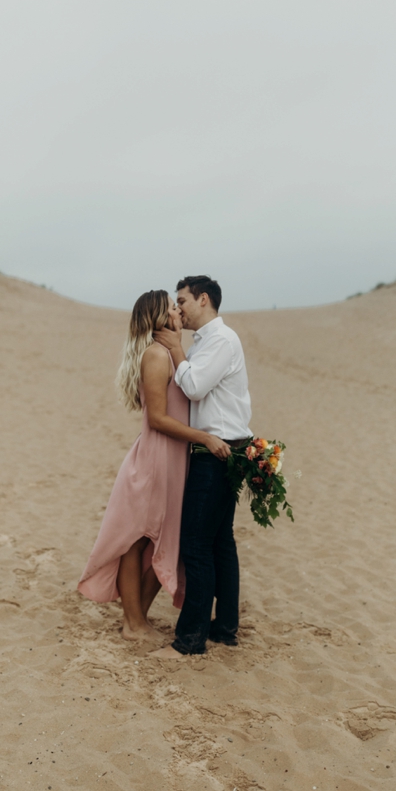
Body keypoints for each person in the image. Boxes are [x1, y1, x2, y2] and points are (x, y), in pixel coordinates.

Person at [77, 290, 233, 641]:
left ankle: (138, 620)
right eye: (172, 308)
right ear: (161, 319)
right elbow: (159, 419)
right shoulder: (156, 355)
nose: (179, 311)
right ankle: (133, 624)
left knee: (158, 543)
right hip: (155, 460)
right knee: (135, 542)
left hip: (173, 460)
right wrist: (204, 438)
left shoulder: (172, 354)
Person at [148, 275, 252, 659]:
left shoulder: (221, 340)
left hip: (217, 451)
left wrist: (175, 348)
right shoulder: (209, 342)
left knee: (197, 545)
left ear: (203, 299)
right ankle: (223, 629)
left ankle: (189, 641)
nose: (178, 309)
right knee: (220, 542)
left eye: (182, 301)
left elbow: (193, 387)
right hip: (227, 448)